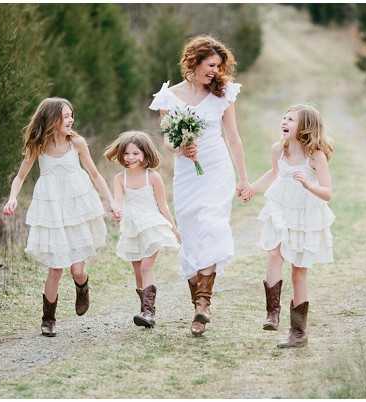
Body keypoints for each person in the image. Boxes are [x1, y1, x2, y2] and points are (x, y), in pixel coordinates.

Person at [149, 35, 252, 336]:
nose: (215, 72)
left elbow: (233, 137)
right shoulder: (169, 96)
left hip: (218, 169)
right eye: (210, 65)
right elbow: (167, 139)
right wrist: (181, 147)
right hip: (186, 173)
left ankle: (203, 306)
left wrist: (243, 178)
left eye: (219, 66)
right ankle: (198, 305)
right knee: (192, 233)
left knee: (211, 223)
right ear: (193, 62)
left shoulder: (224, 94)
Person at [3, 97, 119, 337]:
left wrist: (110, 202)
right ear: (52, 119)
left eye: (71, 115)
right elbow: (20, 177)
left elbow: (96, 175)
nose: (71, 120)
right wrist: (12, 198)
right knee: (56, 268)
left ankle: (82, 287)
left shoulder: (77, 143)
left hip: (77, 208)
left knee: (77, 269)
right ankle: (48, 319)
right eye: (65, 116)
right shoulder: (38, 146)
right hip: (53, 210)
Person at [243, 104, 335, 348]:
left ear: (305, 126)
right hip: (281, 210)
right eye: (284, 118)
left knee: (298, 271)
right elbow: (274, 173)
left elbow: (327, 193)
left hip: (305, 216)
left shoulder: (315, 155)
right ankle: (272, 312)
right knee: (274, 253)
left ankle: (298, 332)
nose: (284, 122)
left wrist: (308, 185)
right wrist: (252, 188)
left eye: (291, 119)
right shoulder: (279, 149)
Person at [104, 131, 180, 328]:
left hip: (153, 226)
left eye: (136, 153)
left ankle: (148, 312)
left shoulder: (152, 177)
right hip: (132, 228)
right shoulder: (120, 178)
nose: (130, 157)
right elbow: (119, 200)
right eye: (127, 153)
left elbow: (163, 206)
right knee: (138, 270)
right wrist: (116, 210)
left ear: (145, 154)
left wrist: (173, 229)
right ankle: (145, 309)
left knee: (146, 266)